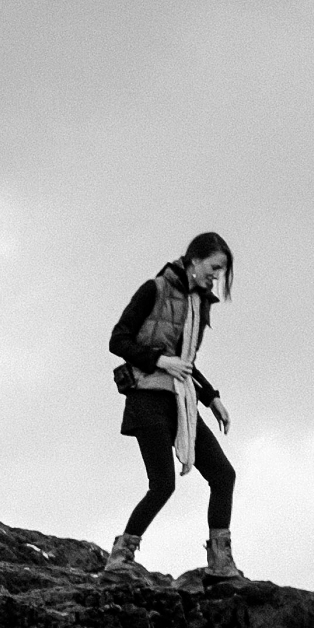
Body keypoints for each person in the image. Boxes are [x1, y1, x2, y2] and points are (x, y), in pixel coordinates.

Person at [105, 231, 241, 581]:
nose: (217, 276)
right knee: (163, 484)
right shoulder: (154, 289)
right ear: (194, 260)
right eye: (214, 267)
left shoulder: (198, 303)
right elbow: (117, 340)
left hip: (181, 401)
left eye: (221, 271)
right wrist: (160, 362)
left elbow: (186, 361)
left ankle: (221, 563)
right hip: (147, 397)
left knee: (223, 474)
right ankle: (121, 556)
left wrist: (211, 397)